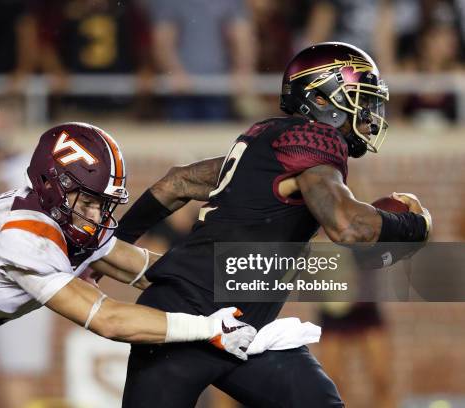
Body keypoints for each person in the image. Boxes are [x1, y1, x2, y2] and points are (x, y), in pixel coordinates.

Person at [115, 42, 432, 407]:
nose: (369, 113)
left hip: (244, 328)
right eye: (360, 98)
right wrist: (414, 226)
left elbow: (178, 182)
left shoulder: (268, 140)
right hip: (187, 319)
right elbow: (347, 226)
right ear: (323, 99)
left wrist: (115, 239)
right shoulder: (317, 141)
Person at [0, 123, 258, 407]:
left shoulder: (61, 215)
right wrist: (207, 328)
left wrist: (237, 275)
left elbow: (143, 268)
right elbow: (108, 321)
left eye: (103, 203)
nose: (97, 213)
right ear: (53, 187)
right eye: (89, 200)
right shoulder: (23, 234)